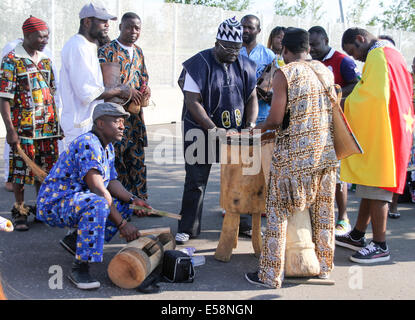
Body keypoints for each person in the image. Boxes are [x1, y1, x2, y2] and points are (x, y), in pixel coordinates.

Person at [244, 27, 338, 288]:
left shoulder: (284, 73)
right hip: (325, 156)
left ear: (285, 50)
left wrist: (250, 132)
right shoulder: (324, 71)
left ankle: (270, 276)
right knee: (323, 214)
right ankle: (324, 267)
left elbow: (274, 120)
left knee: (277, 214)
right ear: (307, 48)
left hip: (293, 158)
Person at [36, 102, 152, 290]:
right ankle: (80, 267)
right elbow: (99, 189)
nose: (122, 126)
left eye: (123, 121)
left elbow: (111, 182)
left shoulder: (107, 147)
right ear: (100, 124)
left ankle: (75, 242)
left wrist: (133, 200)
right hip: (55, 204)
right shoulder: (88, 144)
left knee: (122, 205)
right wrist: (123, 225)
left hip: (75, 200)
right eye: (117, 121)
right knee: (98, 204)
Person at [175, 17, 258, 244]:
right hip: (201, 131)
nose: (232, 53)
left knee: (240, 178)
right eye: (227, 48)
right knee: (196, 180)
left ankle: (243, 223)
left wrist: (249, 126)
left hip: (236, 131)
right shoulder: (198, 64)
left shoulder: (246, 65)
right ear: (216, 42)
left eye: (237, 48)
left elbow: (252, 97)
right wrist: (214, 130)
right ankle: (188, 227)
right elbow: (193, 102)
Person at [335, 28, 413, 264]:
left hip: (384, 131)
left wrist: (342, 104)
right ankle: (358, 235)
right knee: (370, 184)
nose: (355, 58)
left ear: (360, 39)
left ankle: (380, 245)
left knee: (378, 185)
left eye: (353, 52)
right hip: (396, 125)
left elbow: (373, 97)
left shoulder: (378, 56)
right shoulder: (394, 54)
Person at [0, 16, 62, 231]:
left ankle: (42, 209)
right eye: (41, 36)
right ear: (27, 36)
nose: (45, 40)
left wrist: (57, 125)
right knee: (20, 171)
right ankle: (19, 211)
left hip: (47, 128)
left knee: (44, 171)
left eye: (47, 36)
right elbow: (4, 98)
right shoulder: (11, 60)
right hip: (23, 128)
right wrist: (10, 129)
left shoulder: (46, 61)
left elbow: (51, 93)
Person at [59, 2, 139, 150]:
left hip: (88, 125)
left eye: (107, 21)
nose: (107, 25)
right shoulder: (77, 47)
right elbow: (87, 93)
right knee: (82, 172)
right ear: (87, 22)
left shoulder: (89, 46)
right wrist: (121, 90)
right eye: (103, 21)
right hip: (79, 127)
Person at [308, 25, 360, 236]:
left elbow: (357, 85)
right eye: (309, 45)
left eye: (316, 44)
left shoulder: (343, 60)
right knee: (315, 172)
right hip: (314, 125)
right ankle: (317, 218)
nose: (312, 49)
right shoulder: (310, 62)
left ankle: (343, 218)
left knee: (337, 173)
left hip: (336, 125)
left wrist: (333, 94)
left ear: (326, 40)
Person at [98, 12, 151, 202]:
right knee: (116, 159)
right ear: (120, 27)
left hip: (135, 116)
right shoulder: (107, 50)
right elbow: (106, 85)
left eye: (137, 28)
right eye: (129, 27)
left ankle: (140, 200)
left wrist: (145, 90)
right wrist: (127, 91)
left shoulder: (138, 51)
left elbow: (143, 76)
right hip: (115, 115)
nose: (133, 31)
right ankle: (122, 203)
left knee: (136, 158)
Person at [240, 15, 276, 124]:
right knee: (236, 140)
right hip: (237, 114)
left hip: (261, 114)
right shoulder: (232, 52)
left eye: (250, 28)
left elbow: (275, 81)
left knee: (257, 141)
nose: (246, 30)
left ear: (258, 31)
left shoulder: (268, 54)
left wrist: (269, 93)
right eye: (243, 26)